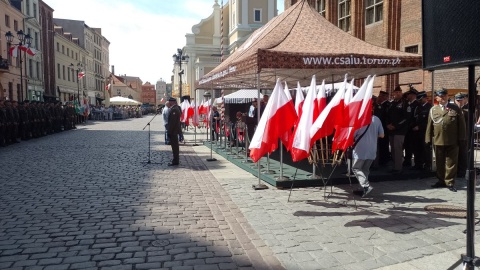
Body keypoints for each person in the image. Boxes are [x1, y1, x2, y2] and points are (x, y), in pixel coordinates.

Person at [426, 88, 466, 192]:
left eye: (445, 95)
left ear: (447, 96)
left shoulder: (455, 108)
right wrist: (428, 139)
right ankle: (441, 181)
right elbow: (430, 125)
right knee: (439, 162)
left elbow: (461, 125)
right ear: (437, 98)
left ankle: (450, 182)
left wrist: (462, 138)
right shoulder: (433, 110)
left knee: (451, 162)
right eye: (441, 96)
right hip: (438, 139)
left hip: (453, 140)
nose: (443, 98)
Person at [352, 106, 385, 197]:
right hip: (372, 149)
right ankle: (362, 189)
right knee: (365, 169)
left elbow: (353, 135)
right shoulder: (377, 119)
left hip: (360, 149)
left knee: (356, 168)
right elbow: (382, 135)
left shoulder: (360, 120)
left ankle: (366, 186)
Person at [386, 86, 408, 174]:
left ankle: (398, 168)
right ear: (393, 93)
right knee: (393, 149)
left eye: (399, 92)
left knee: (398, 149)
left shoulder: (404, 103)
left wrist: (396, 126)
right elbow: (387, 115)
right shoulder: (392, 103)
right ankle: (395, 166)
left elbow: (406, 118)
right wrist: (388, 124)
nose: (397, 94)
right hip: (391, 130)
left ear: (401, 93)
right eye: (396, 92)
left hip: (400, 130)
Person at [413, 91, 433, 170]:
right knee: (417, 148)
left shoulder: (429, 107)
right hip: (416, 132)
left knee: (426, 149)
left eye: (421, 99)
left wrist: (420, 127)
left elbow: (430, 122)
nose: (419, 101)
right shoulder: (418, 107)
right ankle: (418, 164)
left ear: (425, 98)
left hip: (425, 132)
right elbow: (414, 118)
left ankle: (427, 165)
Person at [373, 90, 391, 167]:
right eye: (379, 96)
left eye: (381, 96)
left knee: (384, 145)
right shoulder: (376, 105)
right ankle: (380, 160)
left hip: (384, 128)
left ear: (385, 97)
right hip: (377, 128)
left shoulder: (387, 105)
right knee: (379, 145)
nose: (379, 98)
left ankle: (384, 160)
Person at [454, 92, 468, 178]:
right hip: (454, 136)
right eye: (457, 100)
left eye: (460, 100)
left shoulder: (467, 110)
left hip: (464, 136)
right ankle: (455, 170)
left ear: (464, 100)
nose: (459, 102)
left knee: (463, 154)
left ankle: (462, 171)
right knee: (454, 154)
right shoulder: (452, 109)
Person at [167, 97, 182, 166]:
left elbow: (172, 123)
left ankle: (175, 161)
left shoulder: (174, 110)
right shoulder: (175, 108)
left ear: (172, 102)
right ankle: (175, 160)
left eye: (169, 102)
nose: (169, 103)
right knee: (175, 147)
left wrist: (169, 132)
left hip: (173, 131)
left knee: (175, 147)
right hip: (174, 131)